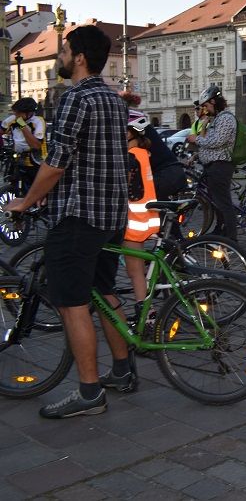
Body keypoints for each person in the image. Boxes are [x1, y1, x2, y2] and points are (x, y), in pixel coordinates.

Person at [6, 24, 131, 418]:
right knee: (104, 290)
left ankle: (90, 392)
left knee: (72, 304)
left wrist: (26, 201)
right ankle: (124, 370)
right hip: (111, 214)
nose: (59, 58)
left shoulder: (75, 98)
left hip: (78, 215)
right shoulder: (112, 98)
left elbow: (56, 162)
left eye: (63, 52)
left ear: (78, 57)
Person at [120, 112, 160, 353]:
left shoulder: (130, 157)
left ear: (130, 134)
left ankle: (148, 318)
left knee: (135, 273)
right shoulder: (143, 154)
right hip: (145, 220)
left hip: (133, 223)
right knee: (138, 271)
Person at [186, 85, 237, 242]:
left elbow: (217, 141)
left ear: (214, 102)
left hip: (220, 166)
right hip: (212, 167)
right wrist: (197, 154)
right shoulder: (217, 118)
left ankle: (231, 239)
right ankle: (220, 230)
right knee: (217, 202)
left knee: (224, 203)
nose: (205, 109)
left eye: (206, 105)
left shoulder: (226, 118)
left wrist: (197, 139)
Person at [1, 97, 47, 194]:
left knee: (37, 189)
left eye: (18, 113)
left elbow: (35, 145)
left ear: (29, 113)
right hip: (18, 159)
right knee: (12, 183)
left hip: (35, 160)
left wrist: (22, 125)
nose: (16, 115)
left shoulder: (38, 121)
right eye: (15, 112)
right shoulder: (13, 119)